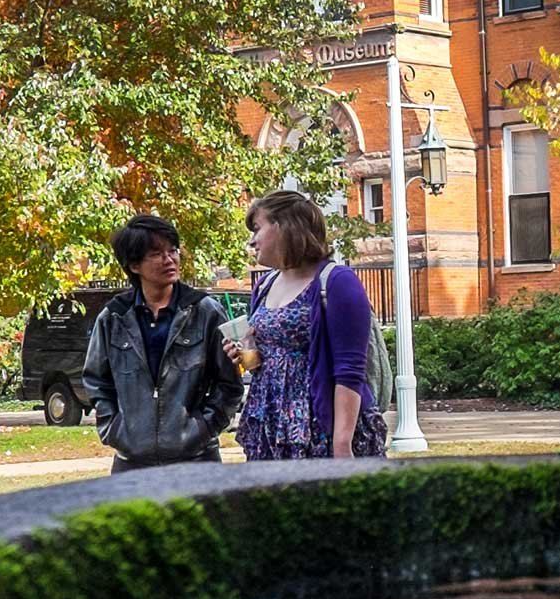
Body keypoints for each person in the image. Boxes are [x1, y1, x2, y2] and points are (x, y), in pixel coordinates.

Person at [227, 190, 387, 460]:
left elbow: (349, 371)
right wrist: (244, 353)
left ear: (284, 227)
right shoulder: (264, 285)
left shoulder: (336, 281)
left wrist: (342, 446)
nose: (252, 240)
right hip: (272, 425)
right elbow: (259, 367)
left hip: (320, 428)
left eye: (257, 229)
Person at [81, 214, 243, 474]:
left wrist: (204, 427)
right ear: (134, 265)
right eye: (157, 254)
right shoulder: (113, 318)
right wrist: (114, 427)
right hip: (131, 463)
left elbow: (230, 383)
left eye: (173, 250)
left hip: (197, 461)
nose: (170, 260)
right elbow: (96, 380)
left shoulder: (204, 312)